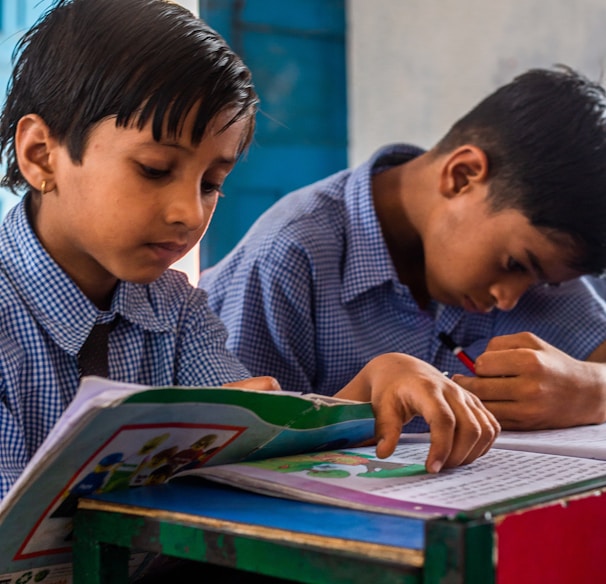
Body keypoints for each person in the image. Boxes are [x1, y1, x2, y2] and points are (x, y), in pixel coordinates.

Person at [0, 0, 499, 503]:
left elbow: (262, 449)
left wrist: (370, 388)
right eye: (154, 169)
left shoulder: (176, 310)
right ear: (42, 155)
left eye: (212, 183)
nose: (190, 214)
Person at [200, 66, 606, 433]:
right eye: (514, 265)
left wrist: (591, 389)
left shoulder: (541, 255)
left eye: (542, 281)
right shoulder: (291, 254)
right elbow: (242, 443)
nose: (509, 298)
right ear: (462, 176)